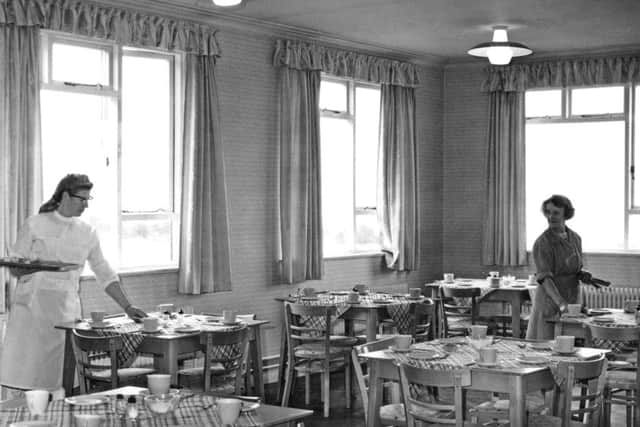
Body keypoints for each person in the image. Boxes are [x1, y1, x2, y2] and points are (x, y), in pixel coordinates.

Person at [0, 174, 147, 396]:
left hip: (65, 314)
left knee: (63, 381)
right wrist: (37, 266)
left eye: (89, 200)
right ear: (66, 195)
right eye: (82, 199)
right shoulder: (34, 224)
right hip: (31, 314)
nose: (86, 205)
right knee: (26, 379)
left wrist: (127, 307)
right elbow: (14, 267)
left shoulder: (87, 232)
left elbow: (103, 272)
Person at [526, 194, 592, 340]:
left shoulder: (575, 238)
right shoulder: (542, 242)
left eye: (556, 212)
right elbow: (544, 279)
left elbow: (575, 267)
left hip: (572, 297)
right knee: (546, 345)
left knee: (572, 347)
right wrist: (562, 304)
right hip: (550, 300)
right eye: (548, 212)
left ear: (566, 214)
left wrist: (582, 274)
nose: (551, 216)